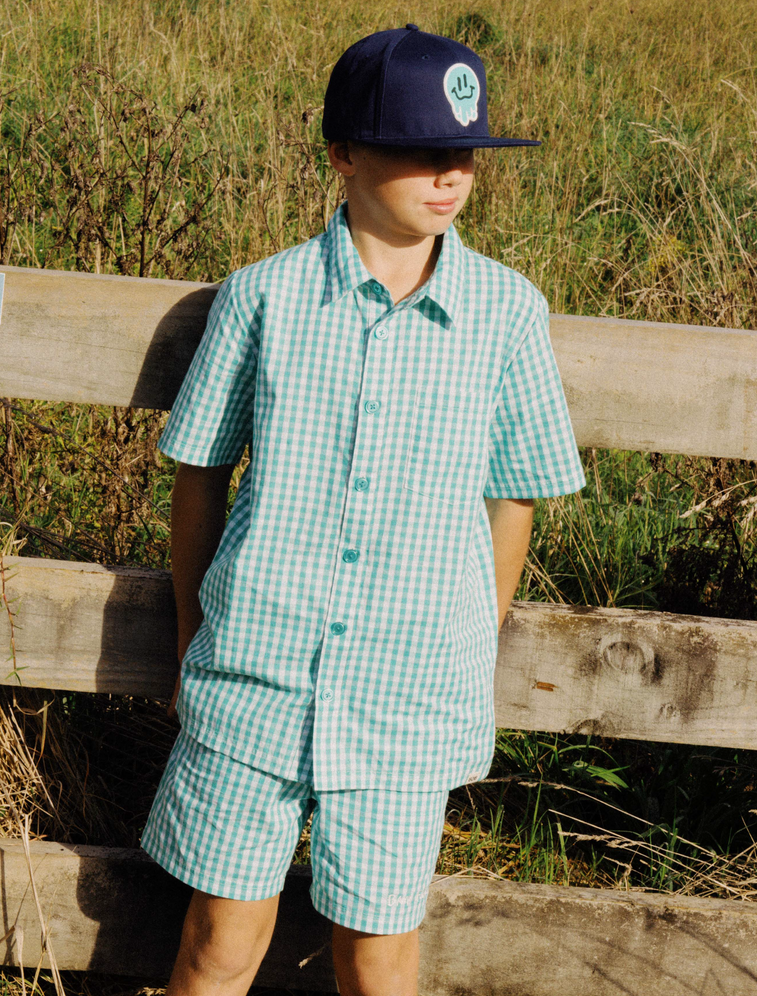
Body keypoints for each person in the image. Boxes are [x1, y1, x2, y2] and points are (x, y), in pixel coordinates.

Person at [141, 23, 586, 996]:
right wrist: (189, 636)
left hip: (407, 698)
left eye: (462, 151)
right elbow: (199, 474)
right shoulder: (263, 300)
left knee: (378, 957)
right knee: (215, 944)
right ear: (342, 154)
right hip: (255, 679)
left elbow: (512, 492)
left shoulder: (505, 313)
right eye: (420, 149)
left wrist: (477, 631)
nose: (448, 173)